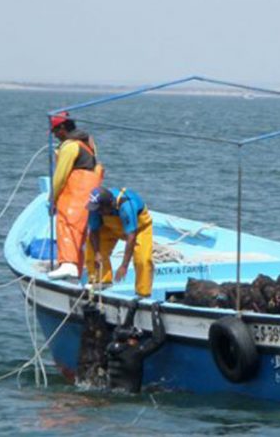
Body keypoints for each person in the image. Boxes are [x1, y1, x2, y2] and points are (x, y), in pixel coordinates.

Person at [47, 112, 104, 280]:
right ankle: (76, 269)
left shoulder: (70, 146)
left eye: (55, 131)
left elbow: (60, 175)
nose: (55, 135)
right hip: (90, 193)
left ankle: (68, 264)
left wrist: (52, 198)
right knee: (79, 231)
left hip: (76, 193)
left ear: (62, 128)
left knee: (67, 224)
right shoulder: (88, 142)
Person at [85, 186, 154, 296]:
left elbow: (131, 237)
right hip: (109, 227)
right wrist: (97, 252)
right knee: (91, 251)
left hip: (139, 227)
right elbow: (94, 230)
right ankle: (102, 281)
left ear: (109, 204)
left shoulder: (126, 206)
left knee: (143, 260)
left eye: (99, 209)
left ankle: (143, 294)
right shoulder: (96, 209)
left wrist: (124, 266)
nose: (97, 212)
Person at [106, 301, 166, 393]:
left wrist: (131, 310)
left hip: (113, 392)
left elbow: (124, 331)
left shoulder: (111, 347)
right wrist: (155, 313)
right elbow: (158, 340)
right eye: (136, 339)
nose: (138, 342)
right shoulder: (134, 353)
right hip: (130, 396)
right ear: (129, 341)